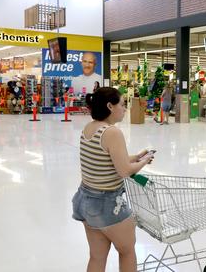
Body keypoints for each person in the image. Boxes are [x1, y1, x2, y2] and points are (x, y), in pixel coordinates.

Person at [71, 87, 154, 272]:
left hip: (85, 200)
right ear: (110, 106)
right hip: (107, 204)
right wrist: (145, 161)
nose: (125, 109)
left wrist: (137, 157)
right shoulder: (112, 132)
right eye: (122, 105)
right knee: (127, 252)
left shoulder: (89, 128)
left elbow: (108, 160)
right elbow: (124, 171)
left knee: (97, 257)